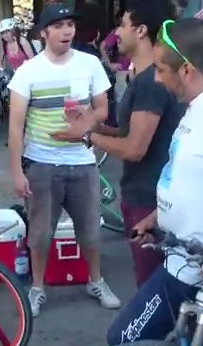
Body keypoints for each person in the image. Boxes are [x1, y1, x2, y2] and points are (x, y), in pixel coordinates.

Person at [53, 0, 183, 288]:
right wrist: (95, 126)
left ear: (140, 31)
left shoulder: (150, 82)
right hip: (143, 195)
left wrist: (87, 137)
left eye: (123, 24)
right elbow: (128, 133)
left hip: (148, 199)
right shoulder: (142, 77)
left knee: (151, 290)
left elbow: (134, 149)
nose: (117, 32)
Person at [8, 3, 121, 318]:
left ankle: (95, 280)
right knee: (40, 233)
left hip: (83, 162)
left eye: (70, 24)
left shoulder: (89, 64)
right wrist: (16, 171)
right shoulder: (27, 71)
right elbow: (15, 125)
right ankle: (38, 287)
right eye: (58, 26)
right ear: (43, 33)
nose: (66, 31)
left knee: (90, 230)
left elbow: (102, 110)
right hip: (41, 163)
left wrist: (86, 122)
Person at [106, 17, 203, 345]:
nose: (158, 80)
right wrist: (157, 216)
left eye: (162, 69)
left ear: (187, 70)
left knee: (123, 338)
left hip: (191, 271)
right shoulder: (190, 109)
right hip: (177, 261)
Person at [100, 10, 131, 103]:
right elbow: (103, 45)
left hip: (135, 69)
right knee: (122, 99)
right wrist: (109, 64)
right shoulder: (118, 31)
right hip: (123, 69)